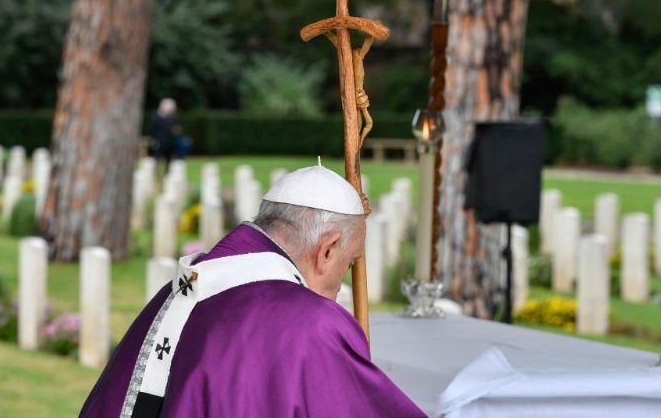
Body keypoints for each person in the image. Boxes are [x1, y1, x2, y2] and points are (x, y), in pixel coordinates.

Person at [80, 164, 426, 417]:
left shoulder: (183, 290)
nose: (341, 286)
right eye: (349, 264)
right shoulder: (311, 323)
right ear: (328, 250)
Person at [149, 98, 182, 163]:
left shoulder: (174, 118)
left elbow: (177, 129)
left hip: (170, 142)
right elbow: (153, 130)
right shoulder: (157, 118)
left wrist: (176, 130)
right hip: (159, 142)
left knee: (169, 159)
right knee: (156, 158)